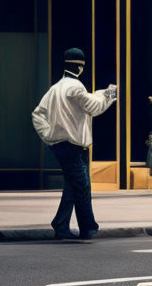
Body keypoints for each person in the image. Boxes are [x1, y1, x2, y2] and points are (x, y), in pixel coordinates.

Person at [31, 47, 117, 240]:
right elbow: (94, 107)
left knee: (72, 185)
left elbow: (37, 114)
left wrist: (48, 135)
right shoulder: (75, 88)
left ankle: (61, 225)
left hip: (61, 146)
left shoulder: (54, 89)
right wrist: (110, 94)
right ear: (80, 67)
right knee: (83, 186)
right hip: (73, 147)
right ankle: (89, 228)